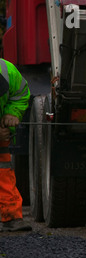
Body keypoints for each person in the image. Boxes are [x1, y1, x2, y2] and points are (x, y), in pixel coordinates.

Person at [0, 58, 31, 232]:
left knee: (3, 169)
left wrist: (12, 113)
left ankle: (11, 216)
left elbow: (20, 95)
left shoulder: (8, 72)